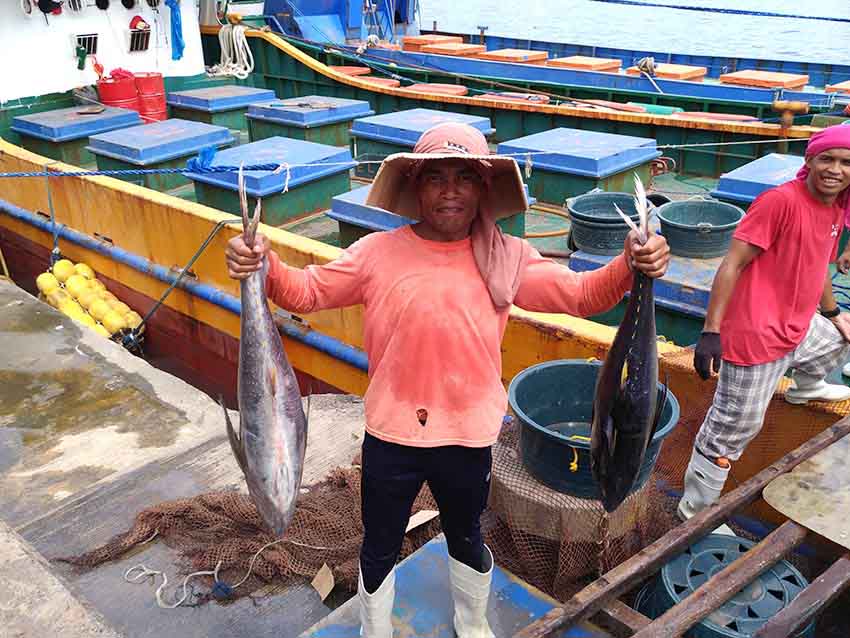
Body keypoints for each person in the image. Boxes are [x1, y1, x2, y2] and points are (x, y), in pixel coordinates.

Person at [226, 122, 670, 637]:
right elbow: (305, 292)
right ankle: (376, 628)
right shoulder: (376, 253)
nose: (451, 189)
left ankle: (473, 621)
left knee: (466, 536)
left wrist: (632, 262)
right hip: (391, 434)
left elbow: (580, 296)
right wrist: (262, 265)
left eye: (465, 176)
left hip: (467, 435)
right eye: (436, 177)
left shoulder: (508, 257)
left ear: (483, 189)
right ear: (416, 187)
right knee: (379, 543)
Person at [682, 125, 850, 533]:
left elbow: (820, 265)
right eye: (826, 159)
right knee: (732, 430)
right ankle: (693, 512)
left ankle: (807, 386)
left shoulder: (835, 209)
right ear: (808, 161)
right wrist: (711, 331)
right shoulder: (780, 202)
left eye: (846, 163)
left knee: (840, 338)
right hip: (757, 338)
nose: (835, 169)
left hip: (797, 327)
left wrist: (832, 314)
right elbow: (732, 263)